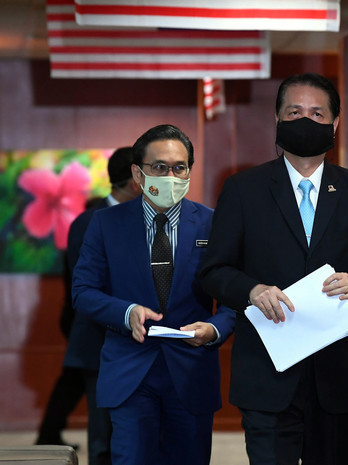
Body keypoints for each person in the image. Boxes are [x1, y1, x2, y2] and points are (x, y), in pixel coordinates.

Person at [199, 72, 348, 465]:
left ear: (335, 124)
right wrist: (252, 291)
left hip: (339, 376)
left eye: (317, 113)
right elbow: (214, 270)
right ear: (277, 119)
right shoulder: (243, 190)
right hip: (267, 374)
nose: (305, 121)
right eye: (294, 112)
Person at [72, 124, 236, 465]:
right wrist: (126, 311)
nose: (170, 176)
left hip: (191, 371)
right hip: (130, 371)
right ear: (138, 172)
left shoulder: (213, 224)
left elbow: (236, 295)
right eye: (159, 167)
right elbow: (84, 291)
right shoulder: (105, 224)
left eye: (179, 167)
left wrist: (214, 329)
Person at [62, 146, 141, 465]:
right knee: (103, 439)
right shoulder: (89, 221)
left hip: (139, 343)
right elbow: (86, 288)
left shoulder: (146, 219)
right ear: (134, 179)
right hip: (98, 343)